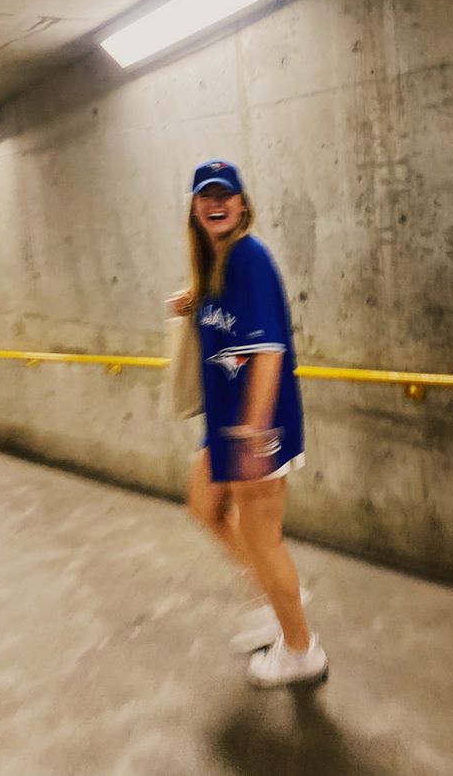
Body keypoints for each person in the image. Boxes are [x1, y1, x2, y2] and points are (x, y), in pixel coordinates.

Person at [169, 158, 328, 688]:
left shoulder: (249, 258)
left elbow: (268, 350)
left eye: (225, 195)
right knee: (204, 505)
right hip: (225, 419)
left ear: (241, 205)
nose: (215, 203)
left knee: (263, 538)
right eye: (205, 196)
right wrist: (192, 303)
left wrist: (256, 429)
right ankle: (273, 595)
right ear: (194, 208)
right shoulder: (216, 267)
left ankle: (301, 649)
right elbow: (227, 325)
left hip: (256, 423)